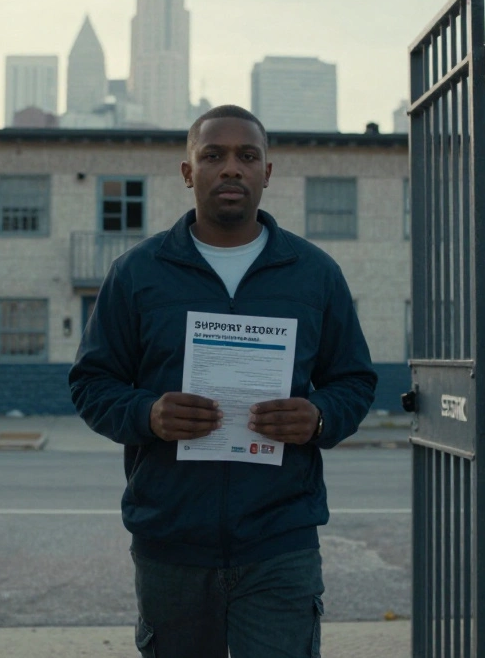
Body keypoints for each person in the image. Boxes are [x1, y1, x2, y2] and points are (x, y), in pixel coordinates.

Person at [68, 105, 377, 658]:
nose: (231, 167)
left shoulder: (314, 274)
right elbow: (92, 382)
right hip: (171, 543)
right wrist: (147, 414)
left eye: (247, 156)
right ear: (188, 172)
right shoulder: (137, 273)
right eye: (214, 155)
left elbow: (353, 379)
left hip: (280, 543)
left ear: (267, 172)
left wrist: (320, 417)